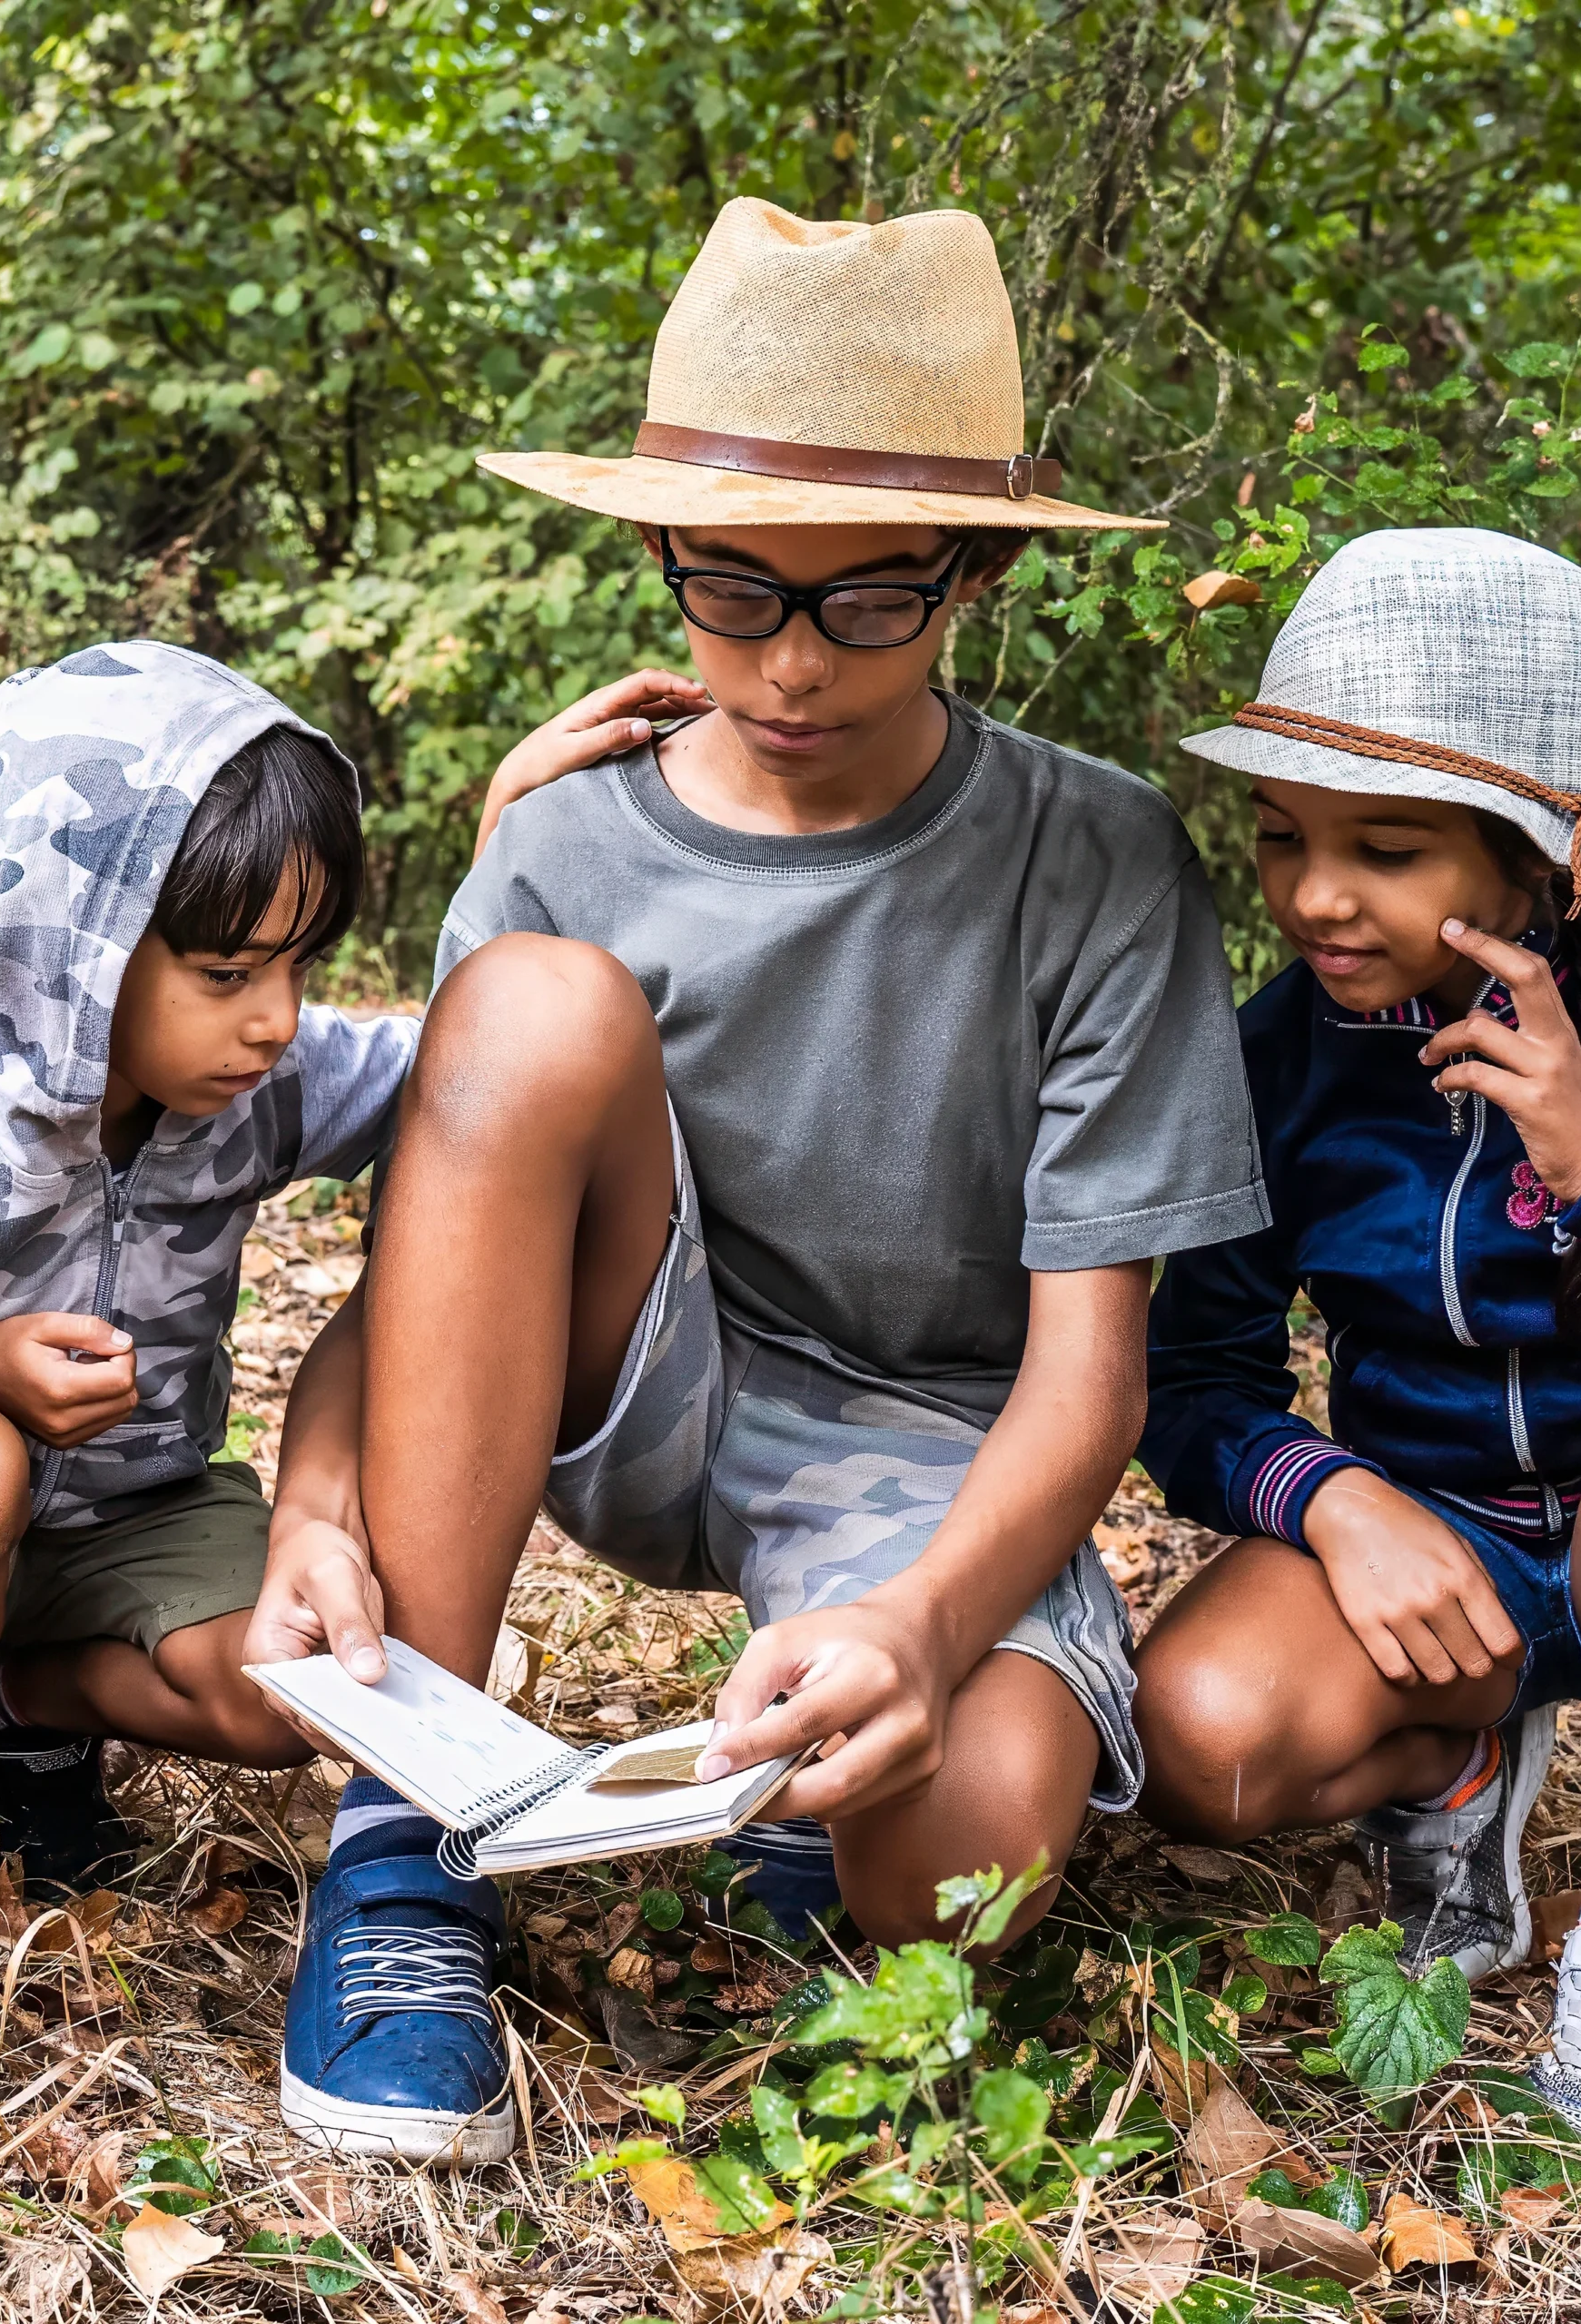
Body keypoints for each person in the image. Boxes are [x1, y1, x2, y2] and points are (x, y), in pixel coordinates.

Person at [259, 194, 1269, 2165]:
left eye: (862, 601)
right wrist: (314, 1500)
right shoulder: (564, 845)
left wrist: (921, 1621)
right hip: (646, 1372)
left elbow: (1091, 1381)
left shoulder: (1101, 857)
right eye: (732, 590)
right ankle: (405, 1853)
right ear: (664, 554)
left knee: (955, 1869)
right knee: (532, 1005)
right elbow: (427, 1269)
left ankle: (799, 1790)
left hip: (933, 1433)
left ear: (967, 571)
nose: (790, 662)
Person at [1138, 527, 1581, 2148]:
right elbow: (1195, 1378)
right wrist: (1335, 1502)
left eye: (1389, 849)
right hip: (1450, 1565)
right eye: (1284, 837)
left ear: (1546, 867)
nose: (1315, 895)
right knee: (1198, 1744)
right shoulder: (1280, 1057)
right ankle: (1460, 1778)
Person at [0, 642, 418, 1925]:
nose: (278, 1021)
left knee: (288, 1690)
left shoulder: (264, 1093)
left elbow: (482, 1065)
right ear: (77, 952)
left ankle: (23, 1710)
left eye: (303, 967)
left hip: (133, 1521)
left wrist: (527, 829)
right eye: (229, 974)